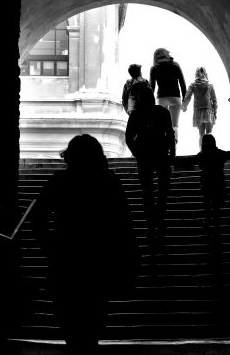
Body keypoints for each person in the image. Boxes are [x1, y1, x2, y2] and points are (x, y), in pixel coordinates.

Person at [32, 134, 139, 352]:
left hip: (66, 257)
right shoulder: (109, 181)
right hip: (98, 258)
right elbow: (124, 222)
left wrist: (48, 244)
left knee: (69, 316)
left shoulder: (60, 181)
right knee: (94, 313)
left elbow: (37, 215)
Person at [125, 85, 176, 245]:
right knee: (162, 192)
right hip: (161, 155)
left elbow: (128, 137)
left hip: (144, 156)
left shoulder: (135, 115)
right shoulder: (163, 112)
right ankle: (159, 222)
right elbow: (170, 134)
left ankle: (151, 226)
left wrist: (136, 152)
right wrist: (172, 155)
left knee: (147, 192)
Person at [194, 134, 230, 235]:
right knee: (216, 206)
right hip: (218, 184)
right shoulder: (219, 154)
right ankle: (216, 226)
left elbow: (188, 161)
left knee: (207, 204)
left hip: (206, 184)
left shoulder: (201, 156)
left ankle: (208, 221)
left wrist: (172, 160)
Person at [149, 47, 187, 144]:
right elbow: (182, 82)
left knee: (162, 124)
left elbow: (152, 87)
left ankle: (163, 146)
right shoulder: (175, 65)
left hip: (161, 98)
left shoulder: (154, 68)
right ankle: (174, 145)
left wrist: (149, 103)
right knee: (174, 124)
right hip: (175, 97)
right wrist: (185, 100)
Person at [181, 66, 218, 149]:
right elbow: (214, 100)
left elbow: (188, 96)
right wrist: (215, 111)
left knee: (201, 134)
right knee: (209, 132)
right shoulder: (210, 85)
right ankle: (210, 151)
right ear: (205, 74)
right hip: (208, 110)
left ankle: (202, 152)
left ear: (196, 74)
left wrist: (184, 106)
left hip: (198, 111)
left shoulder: (193, 85)